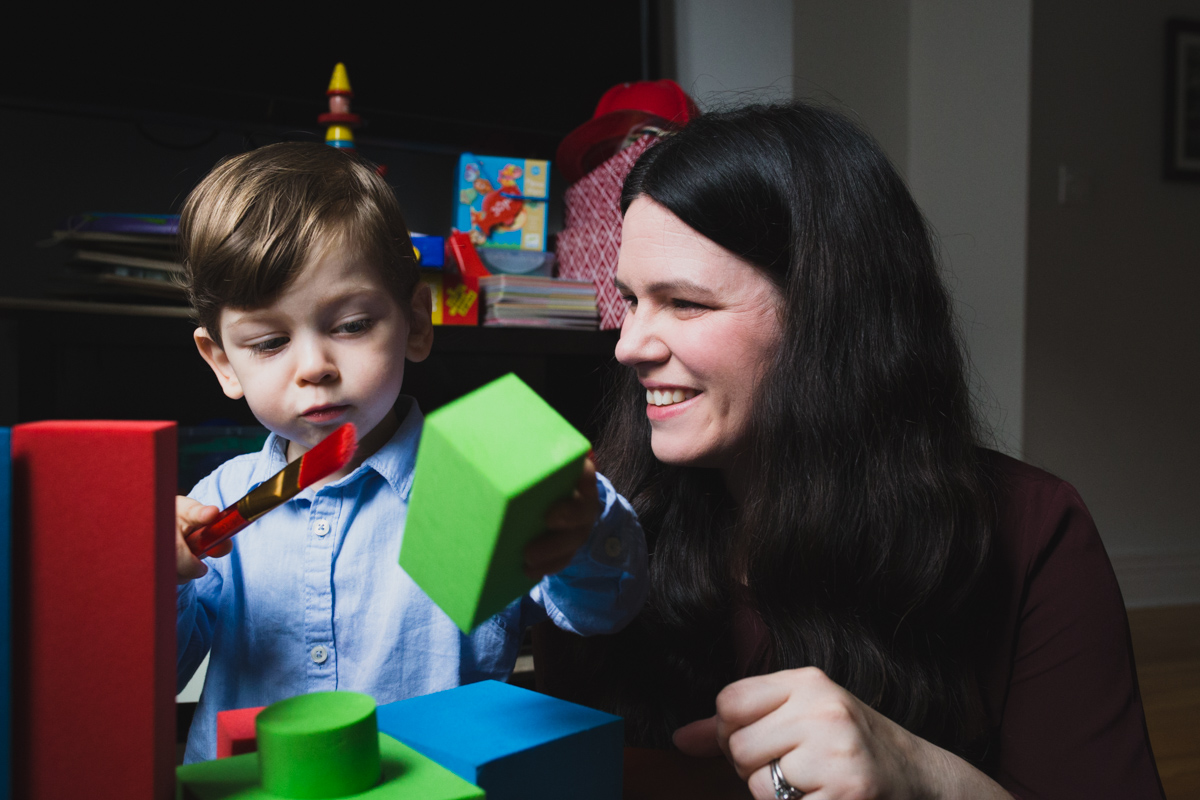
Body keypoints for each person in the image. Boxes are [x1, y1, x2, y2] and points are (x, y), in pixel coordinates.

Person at [536, 103, 1164, 799]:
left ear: (826, 319)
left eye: (685, 303)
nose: (630, 346)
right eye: (629, 300)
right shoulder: (607, 525)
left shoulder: (1033, 529)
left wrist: (920, 773)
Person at [173, 142, 647, 763]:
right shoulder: (217, 501)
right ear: (222, 363)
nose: (314, 367)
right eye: (268, 342)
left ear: (417, 323)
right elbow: (159, 668)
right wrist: (156, 582)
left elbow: (604, 609)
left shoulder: (479, 476)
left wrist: (581, 524)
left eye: (350, 326)